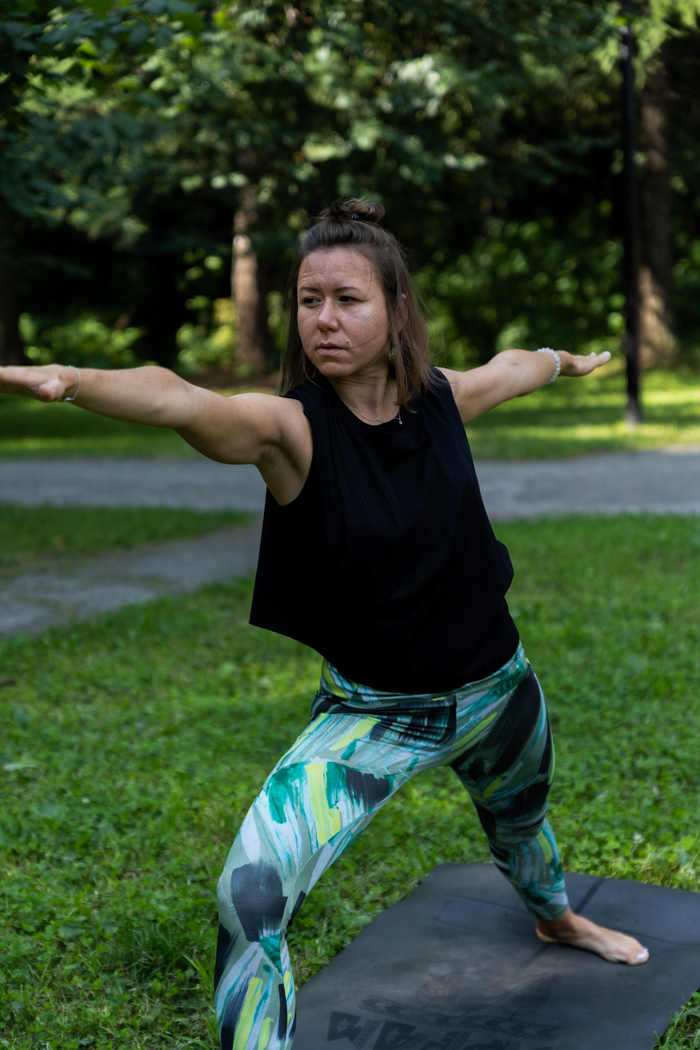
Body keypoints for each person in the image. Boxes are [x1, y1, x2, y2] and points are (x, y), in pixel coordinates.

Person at [0, 198, 648, 1050]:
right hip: (374, 715)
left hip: (500, 688)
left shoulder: (444, 398)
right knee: (250, 894)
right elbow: (183, 399)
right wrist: (76, 382)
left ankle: (556, 919)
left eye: (349, 299)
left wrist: (562, 360)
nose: (325, 319)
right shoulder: (289, 430)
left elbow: (515, 365)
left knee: (522, 824)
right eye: (309, 300)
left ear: (397, 310)